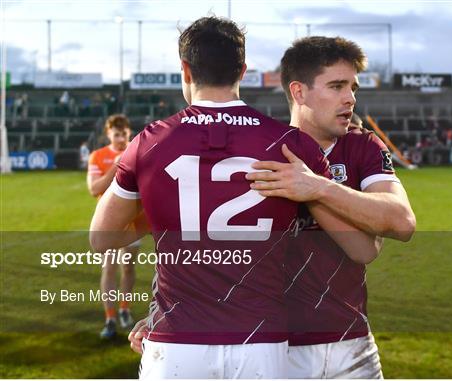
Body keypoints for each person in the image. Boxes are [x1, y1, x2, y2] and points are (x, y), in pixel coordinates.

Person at [90, 17, 354, 379]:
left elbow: (101, 238)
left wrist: (170, 214)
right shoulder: (292, 144)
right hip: (262, 338)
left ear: (185, 68)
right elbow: (355, 245)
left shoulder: (150, 141)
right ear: (242, 71)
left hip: (178, 338)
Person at [246, 36, 416, 378]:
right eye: (337, 86)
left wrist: (317, 187)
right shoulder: (261, 152)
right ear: (299, 92)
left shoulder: (363, 145)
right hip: (273, 345)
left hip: (351, 343)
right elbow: (210, 247)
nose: (350, 98)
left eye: (352, 87)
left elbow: (401, 222)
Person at [87, 114, 143, 339]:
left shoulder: (138, 150)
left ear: (129, 132)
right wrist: (116, 167)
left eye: (124, 133)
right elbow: (94, 189)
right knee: (109, 268)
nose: (121, 137)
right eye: (116, 134)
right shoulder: (98, 156)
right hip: (108, 222)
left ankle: (124, 309)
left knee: (128, 268)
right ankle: (110, 318)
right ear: (108, 134)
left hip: (132, 220)